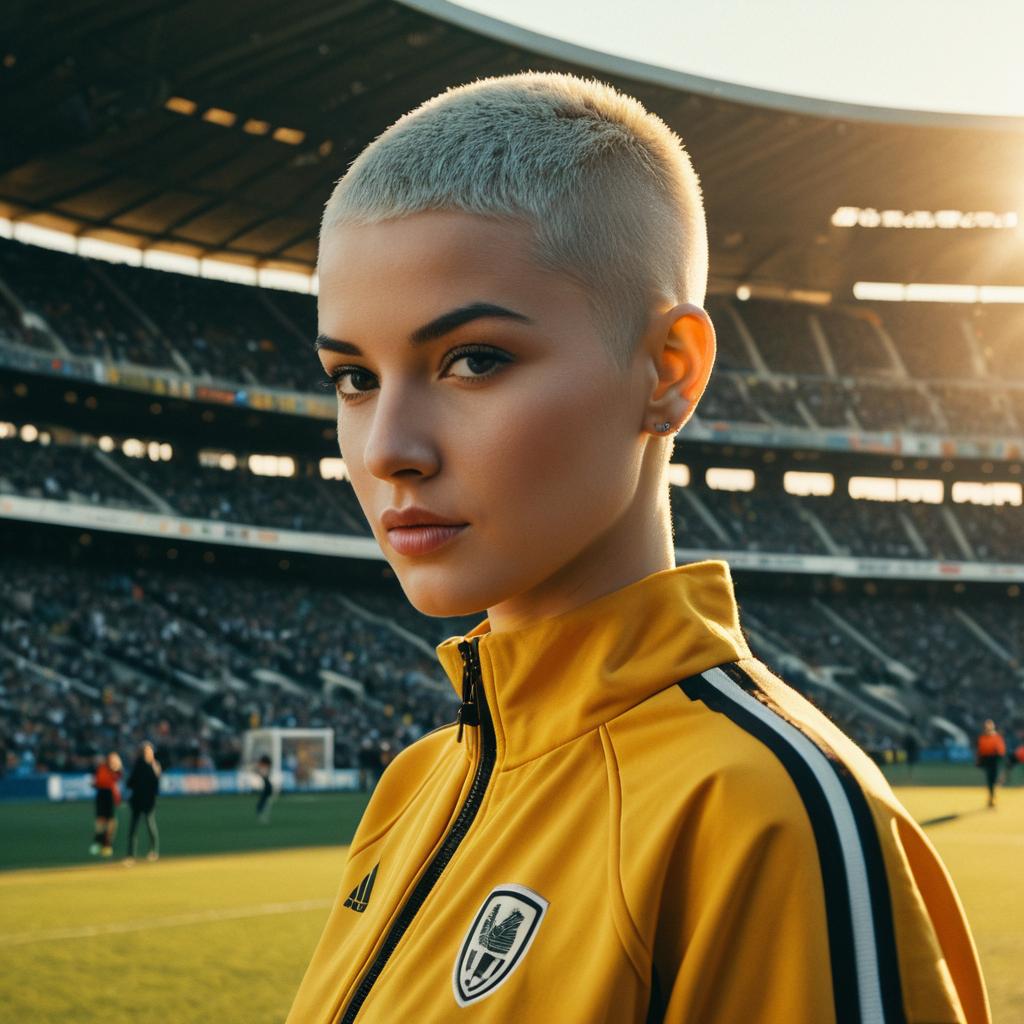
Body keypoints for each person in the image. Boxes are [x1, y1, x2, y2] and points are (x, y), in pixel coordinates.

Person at [287, 73, 989, 1023]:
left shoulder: (765, 809)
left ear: (669, 371)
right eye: (353, 377)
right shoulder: (412, 788)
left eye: (474, 360)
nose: (386, 450)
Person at [124, 740, 161, 863]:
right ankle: (131, 855)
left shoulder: (150, 765)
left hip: (145, 800)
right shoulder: (146, 765)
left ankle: (152, 851)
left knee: (149, 826)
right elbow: (131, 782)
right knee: (135, 828)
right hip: (140, 800)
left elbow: (130, 783)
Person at [90, 751, 122, 857]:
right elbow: (96, 782)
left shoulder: (116, 770)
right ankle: (98, 843)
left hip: (110, 796)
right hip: (102, 795)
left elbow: (116, 779)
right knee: (101, 821)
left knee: (110, 821)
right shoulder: (101, 768)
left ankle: (107, 844)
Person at [975, 718, 1006, 808]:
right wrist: (979, 759)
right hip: (986, 759)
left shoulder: (996, 737)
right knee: (990, 779)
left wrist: (999, 755)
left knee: (992, 778)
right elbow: (980, 750)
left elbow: (1001, 750)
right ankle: (992, 795)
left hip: (994, 759)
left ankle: (992, 794)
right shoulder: (982, 737)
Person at [254, 753, 274, 823]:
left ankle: (261, 812)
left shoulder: (264, 769)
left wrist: (258, 769)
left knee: (263, 801)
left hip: (267, 787)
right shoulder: (267, 769)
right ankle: (261, 812)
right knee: (265, 801)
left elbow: (261, 773)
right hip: (268, 787)